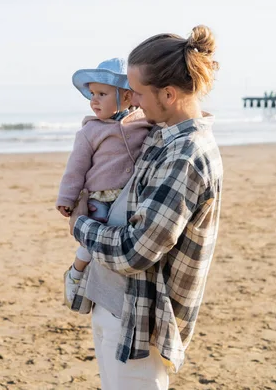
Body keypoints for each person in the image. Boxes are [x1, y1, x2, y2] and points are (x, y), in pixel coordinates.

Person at [66, 25, 223, 390]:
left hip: (140, 321)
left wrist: (80, 225)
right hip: (114, 302)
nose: (132, 101)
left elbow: (135, 252)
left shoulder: (187, 155)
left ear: (168, 93)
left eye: (137, 92)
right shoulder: (159, 133)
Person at [56, 58, 151, 304]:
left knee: (122, 239)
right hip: (99, 196)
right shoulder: (90, 131)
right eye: (92, 94)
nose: (94, 100)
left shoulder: (144, 123)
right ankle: (76, 273)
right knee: (92, 238)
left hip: (128, 197)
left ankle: (103, 284)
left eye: (102, 93)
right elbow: (75, 168)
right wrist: (66, 198)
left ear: (128, 97)